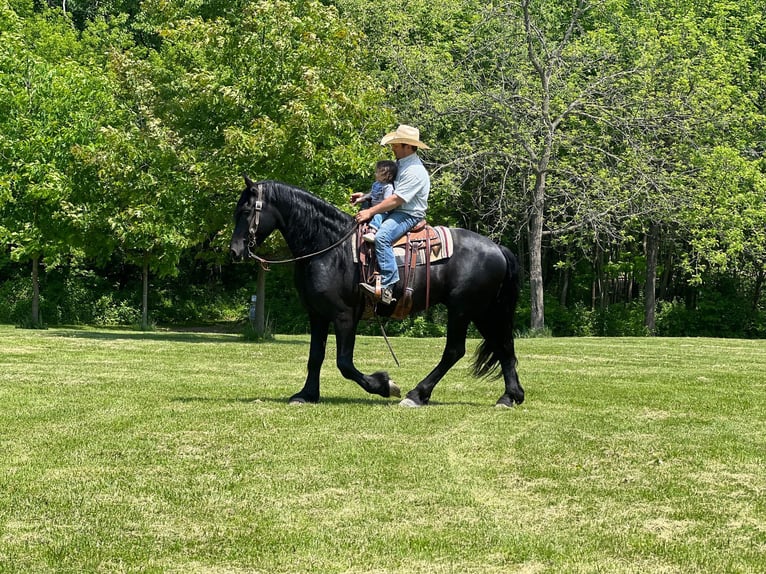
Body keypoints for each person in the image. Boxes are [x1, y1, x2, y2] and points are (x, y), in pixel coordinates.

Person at [351, 124, 431, 303]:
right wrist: (365, 197)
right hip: (393, 210)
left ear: (408, 147)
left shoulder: (415, 171)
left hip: (407, 214)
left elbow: (396, 199)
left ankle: (388, 286)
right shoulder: (400, 165)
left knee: (382, 237)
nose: (392, 147)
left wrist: (370, 211)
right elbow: (385, 189)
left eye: (396, 144)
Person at [351, 160, 398, 243]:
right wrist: (361, 199)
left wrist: (374, 210)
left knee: (378, 217)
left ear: (388, 176)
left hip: (383, 210)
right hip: (373, 207)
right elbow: (371, 194)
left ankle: (373, 232)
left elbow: (386, 201)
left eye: (378, 172)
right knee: (363, 211)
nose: (375, 174)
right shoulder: (376, 184)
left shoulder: (388, 187)